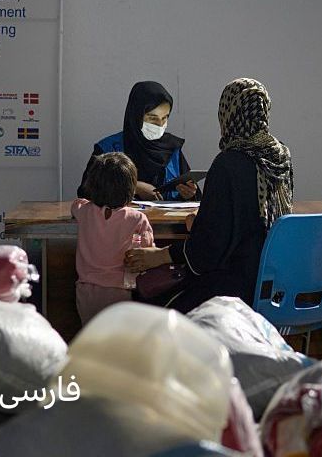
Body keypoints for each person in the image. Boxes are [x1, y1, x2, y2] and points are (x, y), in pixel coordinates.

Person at [124, 78, 294, 313]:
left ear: (228, 113)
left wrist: (159, 256)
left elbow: (206, 252)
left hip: (232, 291)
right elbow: (252, 223)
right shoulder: (281, 157)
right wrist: (204, 224)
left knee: (147, 304)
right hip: (275, 283)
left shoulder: (228, 163)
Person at [78, 81, 199, 201]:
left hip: (167, 215)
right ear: (136, 116)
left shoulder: (172, 149)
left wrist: (189, 194)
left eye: (164, 118)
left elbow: (195, 197)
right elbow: (85, 193)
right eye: (152, 118)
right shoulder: (108, 149)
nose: (160, 124)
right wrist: (134, 187)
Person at [72, 152, 154, 324]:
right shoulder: (137, 218)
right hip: (121, 291)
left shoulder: (85, 211)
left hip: (85, 291)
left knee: (91, 335)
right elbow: (147, 252)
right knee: (118, 337)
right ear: (131, 188)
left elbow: (77, 203)